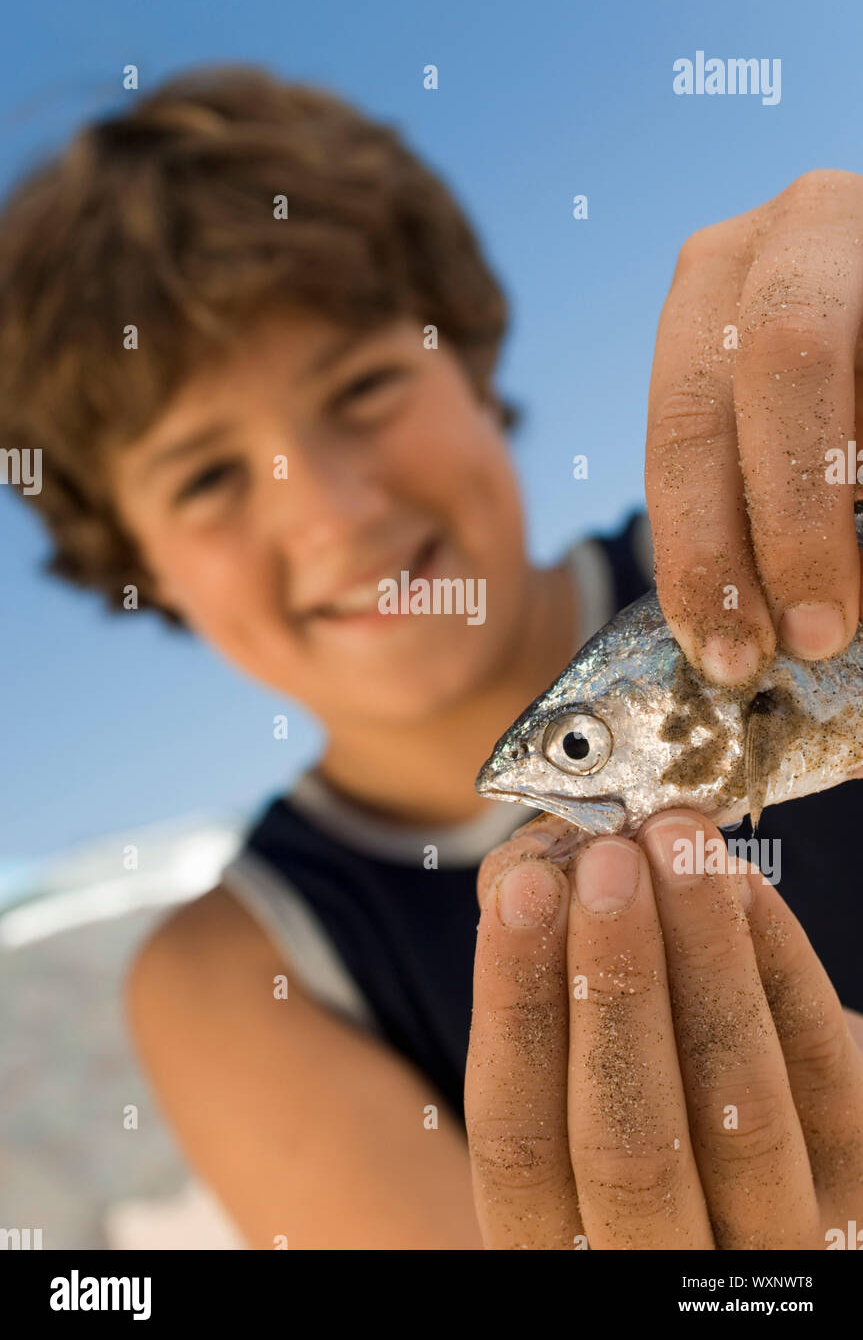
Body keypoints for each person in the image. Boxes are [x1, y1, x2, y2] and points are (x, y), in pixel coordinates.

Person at [2, 64, 862, 1251]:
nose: (334, 515)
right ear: (129, 557)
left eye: (361, 388)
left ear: (465, 361)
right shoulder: (237, 977)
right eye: (205, 476)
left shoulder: (796, 555)